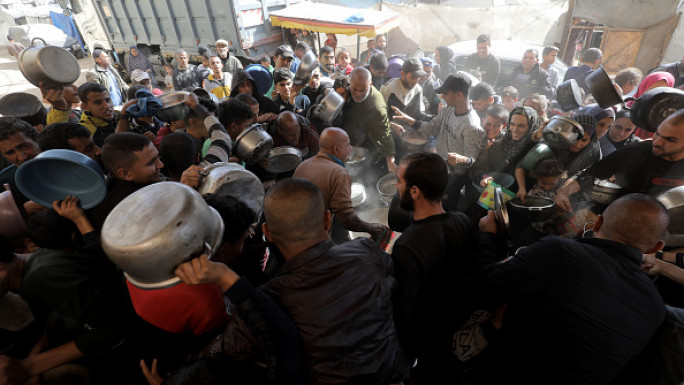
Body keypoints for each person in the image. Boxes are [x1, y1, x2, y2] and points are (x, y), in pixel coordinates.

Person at [474, 193, 668, 385]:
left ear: (597, 223)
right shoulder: (656, 308)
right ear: (656, 248)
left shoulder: (559, 251)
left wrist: (488, 235)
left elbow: (485, 285)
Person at [258, 178, 409, 384]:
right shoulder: (365, 251)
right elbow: (398, 286)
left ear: (267, 233)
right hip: (392, 376)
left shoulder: (268, 299)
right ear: (328, 220)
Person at [0, 208, 137, 385]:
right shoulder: (36, 262)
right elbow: (69, 312)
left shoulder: (42, 277)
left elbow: (113, 326)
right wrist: (39, 348)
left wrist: (30, 366)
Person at [391, 152, 477, 384]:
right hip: (459, 321)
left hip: (430, 338)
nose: (397, 187)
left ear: (415, 191)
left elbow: (405, 312)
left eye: (399, 181)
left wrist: (403, 359)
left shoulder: (408, 246)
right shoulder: (462, 221)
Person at [555, 110, 684, 213]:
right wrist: (563, 193)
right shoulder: (636, 152)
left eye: (671, 139)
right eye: (658, 133)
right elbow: (590, 173)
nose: (657, 142)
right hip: (616, 216)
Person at [392, 72, 485, 210]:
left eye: (446, 93)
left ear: (459, 94)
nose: (443, 97)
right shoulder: (447, 110)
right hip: (441, 166)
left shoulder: (471, 125)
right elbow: (431, 128)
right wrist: (409, 120)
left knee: (446, 205)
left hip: (455, 176)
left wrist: (460, 159)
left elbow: (473, 160)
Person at [293, 127, 387, 239]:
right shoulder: (339, 173)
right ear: (336, 149)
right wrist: (370, 228)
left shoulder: (303, 165)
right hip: (314, 236)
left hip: (293, 230)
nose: (350, 148)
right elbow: (346, 219)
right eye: (347, 145)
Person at [90, 132, 163, 229]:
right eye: (151, 163)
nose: (161, 165)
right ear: (125, 174)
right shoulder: (134, 206)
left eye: (157, 157)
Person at [342, 67, 397, 174]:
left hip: (366, 151)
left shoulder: (377, 108)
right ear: (350, 83)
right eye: (354, 89)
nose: (358, 94)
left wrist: (391, 162)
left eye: (363, 90)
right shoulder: (346, 88)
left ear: (370, 84)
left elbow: (384, 134)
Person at [45, 83, 119, 147]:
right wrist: (60, 107)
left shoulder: (121, 117)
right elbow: (57, 137)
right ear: (85, 107)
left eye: (108, 100)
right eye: (98, 103)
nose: (106, 106)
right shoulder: (85, 132)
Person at [630, 71, 676, 140]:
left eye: (661, 91)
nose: (656, 94)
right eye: (652, 89)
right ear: (644, 86)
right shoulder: (628, 107)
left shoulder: (666, 117)